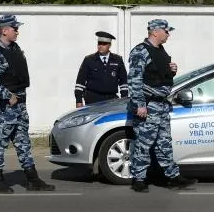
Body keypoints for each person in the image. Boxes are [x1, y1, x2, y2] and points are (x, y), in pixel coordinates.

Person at [0, 14, 55, 193]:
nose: (17, 32)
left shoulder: (14, 48)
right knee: (0, 143)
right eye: (15, 29)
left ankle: (33, 180)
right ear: (4, 30)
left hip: (20, 106)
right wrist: (8, 96)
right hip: (4, 107)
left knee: (23, 142)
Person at [127, 19, 197, 193]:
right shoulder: (140, 52)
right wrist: (140, 105)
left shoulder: (160, 51)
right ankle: (138, 179)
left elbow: (159, 75)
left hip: (162, 106)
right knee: (144, 143)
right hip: (149, 105)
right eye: (166, 31)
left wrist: (172, 70)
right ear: (155, 31)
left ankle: (173, 177)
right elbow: (134, 81)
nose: (168, 34)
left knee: (164, 143)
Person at [74, 31, 128, 108]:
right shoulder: (89, 60)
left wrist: (124, 100)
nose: (101, 46)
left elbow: (123, 83)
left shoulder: (117, 60)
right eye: (99, 43)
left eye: (104, 44)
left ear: (109, 45)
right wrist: (78, 101)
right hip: (92, 100)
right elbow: (80, 83)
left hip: (111, 100)